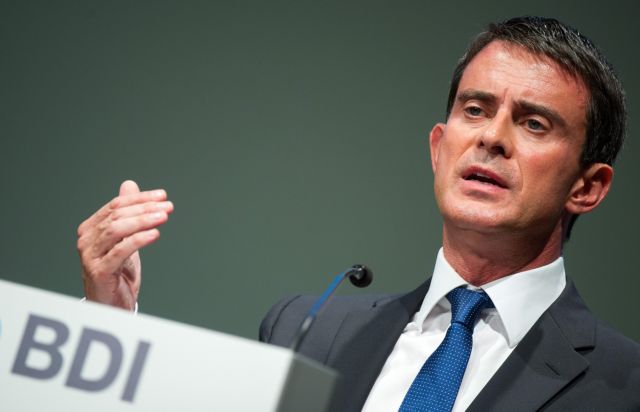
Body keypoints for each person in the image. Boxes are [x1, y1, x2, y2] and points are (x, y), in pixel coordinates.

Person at [77, 16, 639, 411]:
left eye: (533, 123)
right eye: (475, 109)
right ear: (438, 148)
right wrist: (109, 321)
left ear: (587, 187)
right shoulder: (308, 333)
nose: (491, 138)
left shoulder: (624, 385)